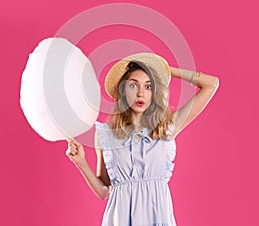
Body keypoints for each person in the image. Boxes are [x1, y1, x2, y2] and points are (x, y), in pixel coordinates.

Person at [66, 53, 219, 225]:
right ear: (123, 91)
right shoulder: (106, 134)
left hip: (158, 216)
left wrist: (166, 70)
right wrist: (81, 162)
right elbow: (104, 191)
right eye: (133, 85)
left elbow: (211, 84)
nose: (140, 93)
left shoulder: (166, 128)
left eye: (148, 87)